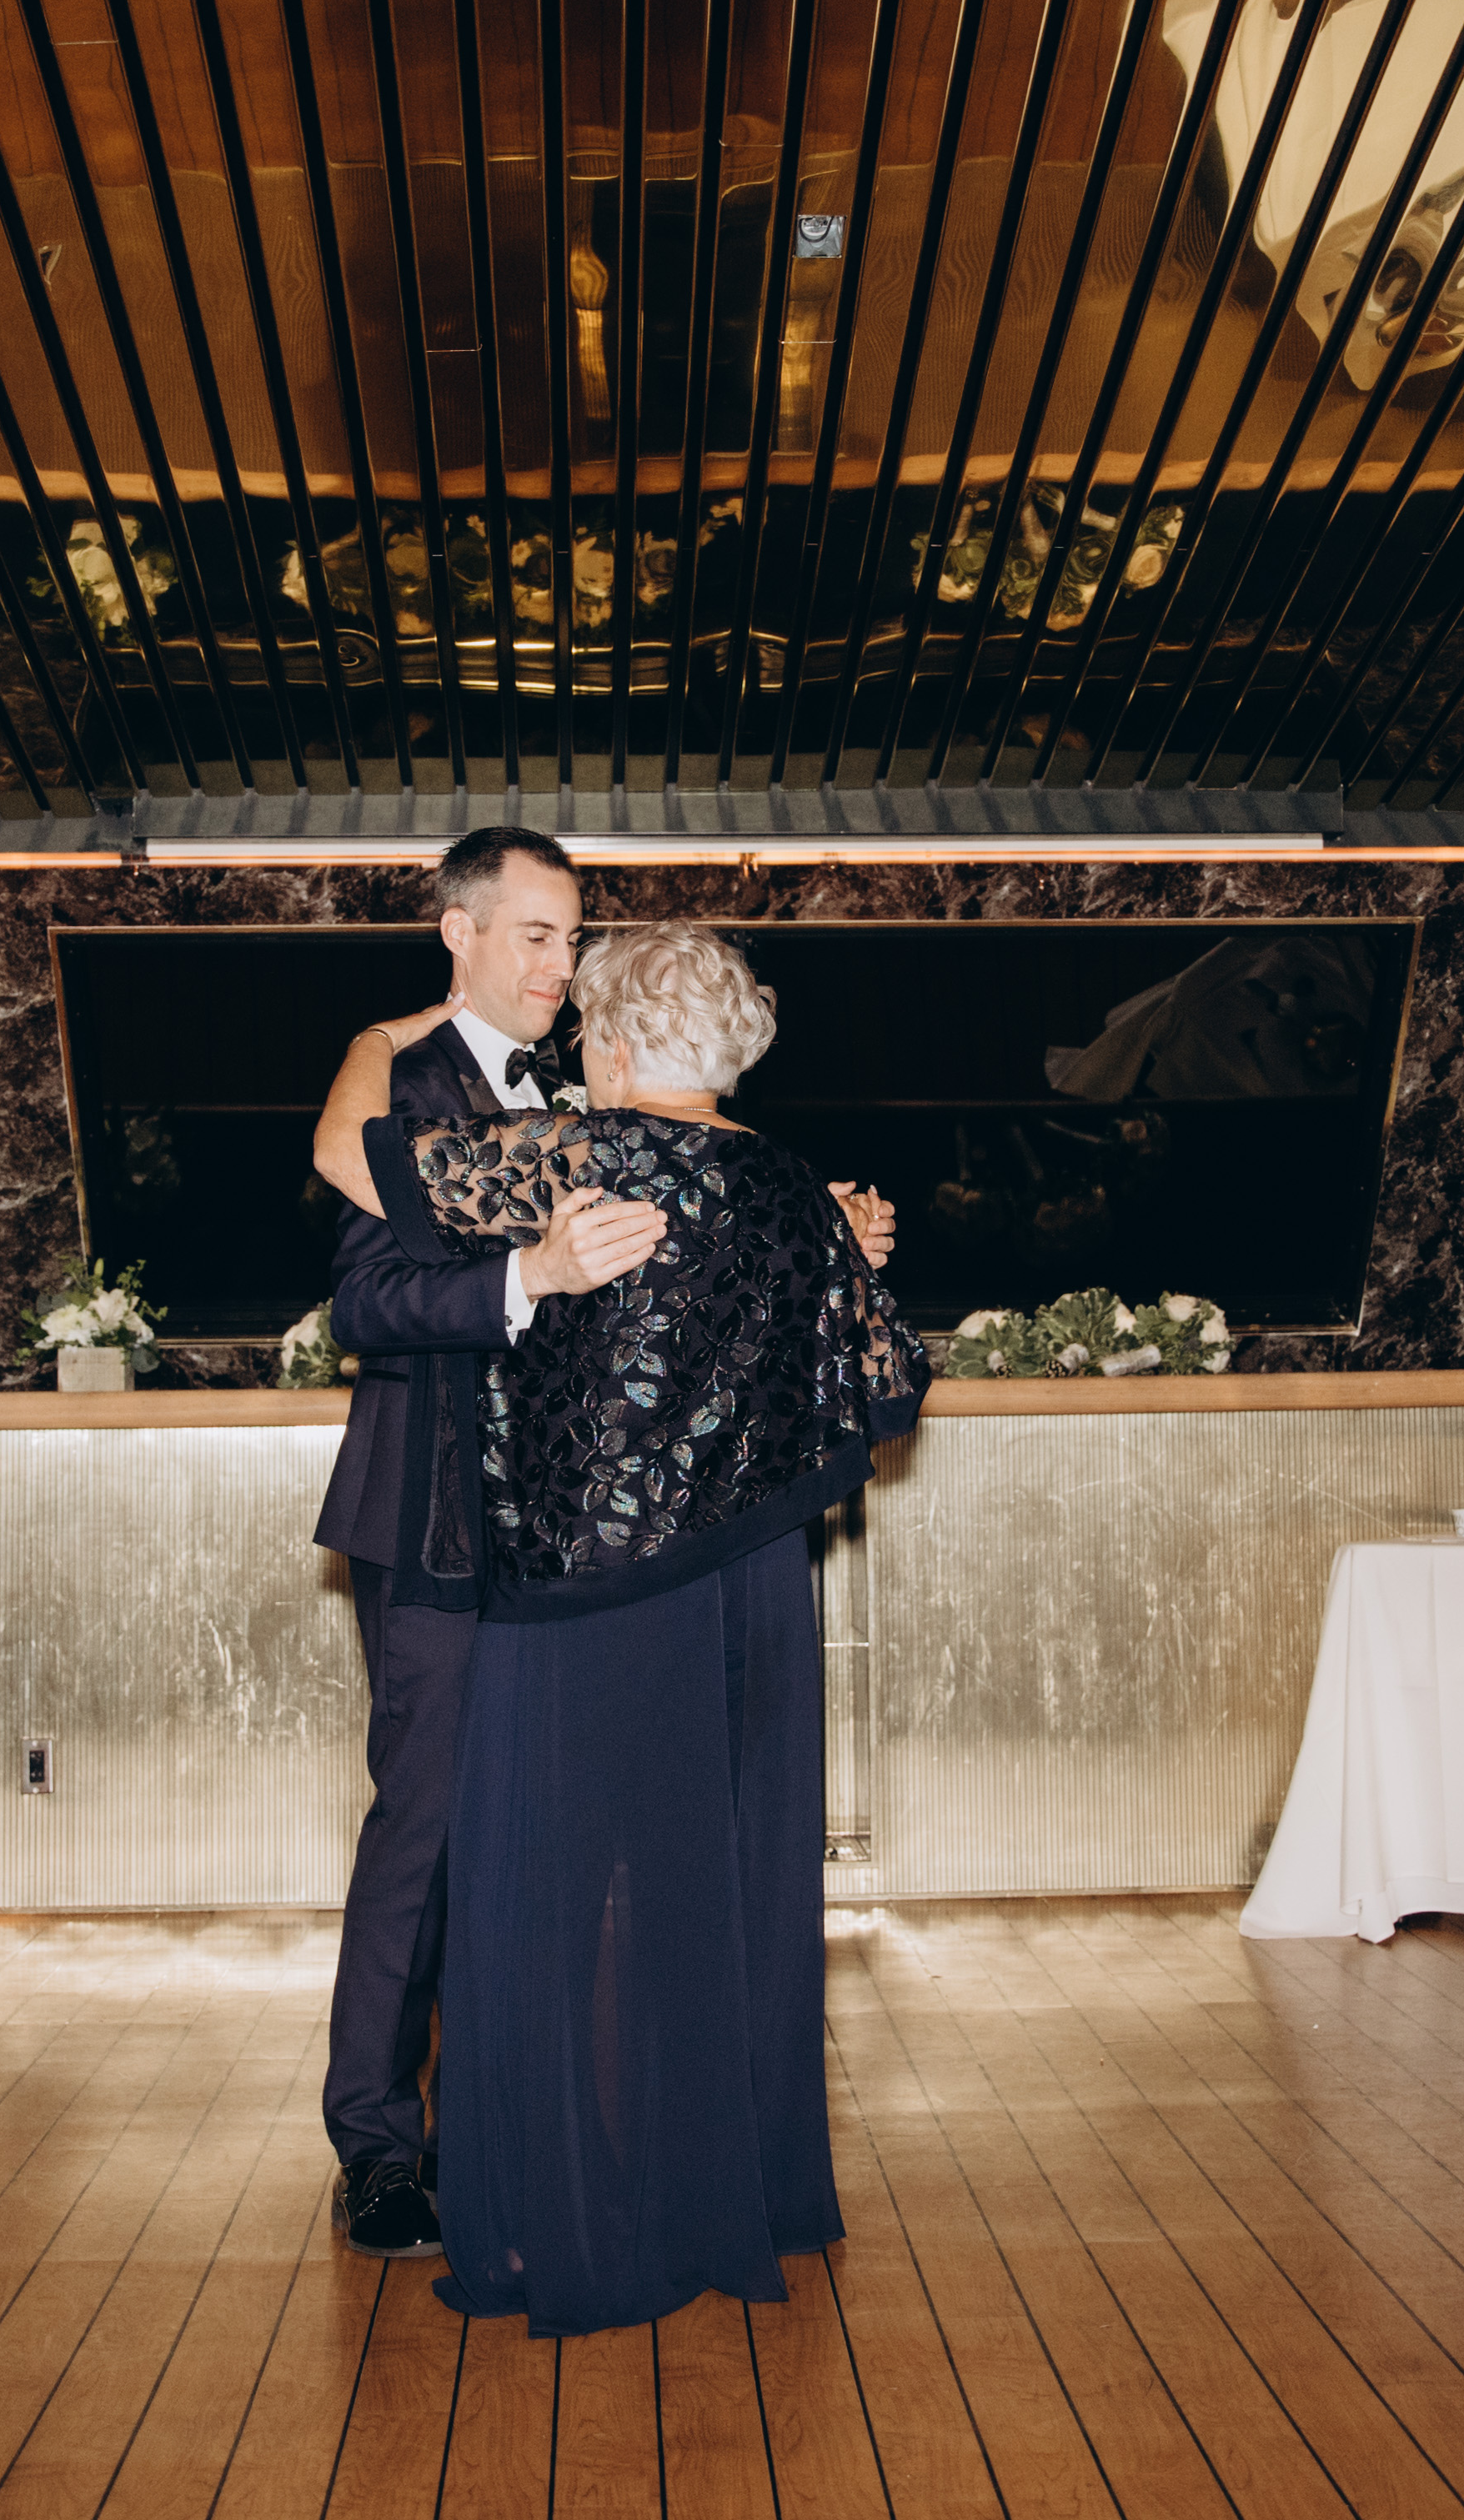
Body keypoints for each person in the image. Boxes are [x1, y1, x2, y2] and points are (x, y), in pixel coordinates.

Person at [326, 924, 929, 2336]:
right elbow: (885, 1382)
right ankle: (727, 2195)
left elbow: (354, 1158)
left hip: (581, 1591)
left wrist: (376, 1038)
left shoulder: (569, 1156)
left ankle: (558, 2221)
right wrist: (822, 1253)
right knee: (714, 1891)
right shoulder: (792, 1186)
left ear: (606, 1040)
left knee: (538, 1896)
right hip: (747, 1590)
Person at [298, 825, 665, 2260]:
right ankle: (378, 2149)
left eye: (571, 939)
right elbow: (364, 1307)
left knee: (538, 1836)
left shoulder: (577, 1092)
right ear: (456, 932)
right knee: (426, 1835)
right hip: (432, 1517)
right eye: (534, 934)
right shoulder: (403, 1086)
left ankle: (498, 2126)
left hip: (557, 1537)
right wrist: (529, 1274)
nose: (560, 966)